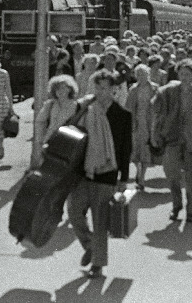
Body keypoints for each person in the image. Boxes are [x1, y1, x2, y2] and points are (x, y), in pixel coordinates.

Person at [67, 69, 118, 279]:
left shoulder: (119, 114)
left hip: (106, 172)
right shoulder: (85, 107)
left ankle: (97, 265)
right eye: (96, 87)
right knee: (74, 212)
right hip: (82, 170)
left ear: (113, 90)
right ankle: (89, 246)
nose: (99, 91)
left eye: (104, 88)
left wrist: (123, 181)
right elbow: (69, 128)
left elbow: (124, 149)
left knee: (100, 222)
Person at [152, 59, 192, 223]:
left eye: (188, 74)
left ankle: (191, 212)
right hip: (173, 139)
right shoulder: (170, 92)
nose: (185, 77)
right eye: (182, 74)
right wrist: (155, 134)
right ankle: (176, 205)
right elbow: (157, 113)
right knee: (171, 174)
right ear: (178, 74)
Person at [33, 75, 80, 168]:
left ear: (70, 89)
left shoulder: (76, 107)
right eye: (57, 89)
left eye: (63, 88)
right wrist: (40, 140)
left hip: (68, 143)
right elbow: (40, 122)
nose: (60, 91)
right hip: (49, 142)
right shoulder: (49, 105)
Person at [126, 64, 159, 191]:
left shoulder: (155, 88)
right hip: (137, 121)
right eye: (138, 74)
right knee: (135, 150)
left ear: (148, 75)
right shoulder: (133, 89)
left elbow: (159, 105)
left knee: (146, 149)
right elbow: (129, 107)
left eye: (144, 74)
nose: (141, 77)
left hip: (151, 122)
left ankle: (142, 177)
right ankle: (138, 170)